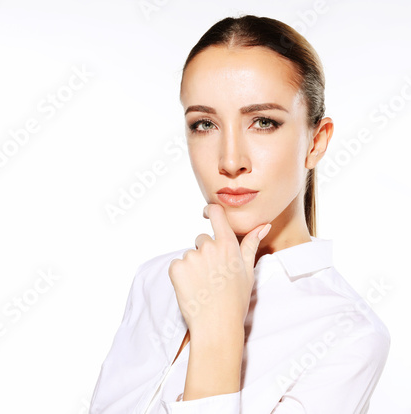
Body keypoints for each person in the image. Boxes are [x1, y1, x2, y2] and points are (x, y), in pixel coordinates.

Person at [88, 14, 390, 414]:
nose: (230, 160)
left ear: (316, 142)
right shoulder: (156, 280)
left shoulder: (347, 333)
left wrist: (218, 331)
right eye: (204, 124)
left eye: (263, 122)